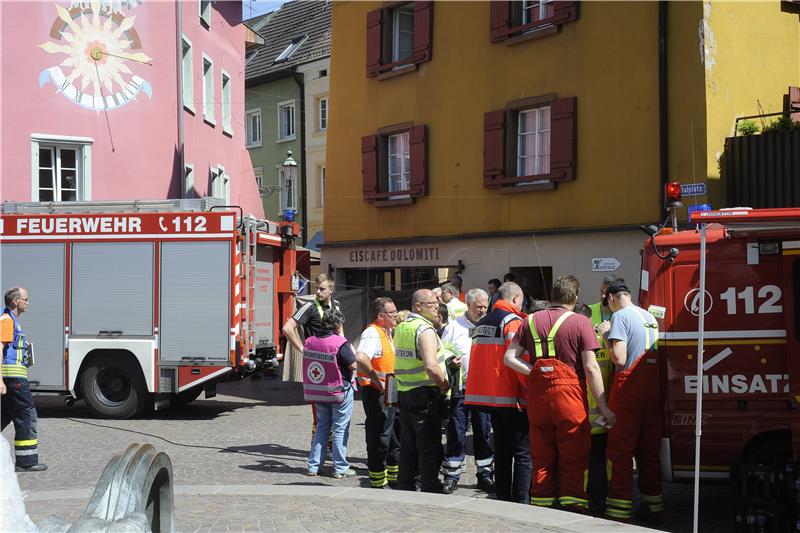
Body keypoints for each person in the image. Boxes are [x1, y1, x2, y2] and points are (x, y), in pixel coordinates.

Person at [504, 275, 614, 513]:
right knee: (573, 453)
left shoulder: (529, 320)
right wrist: (603, 406)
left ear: (553, 295)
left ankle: (542, 503)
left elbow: (509, 358)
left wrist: (534, 370)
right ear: (574, 298)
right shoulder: (580, 322)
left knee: (542, 454)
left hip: (539, 399)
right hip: (569, 397)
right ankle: (572, 504)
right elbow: (591, 367)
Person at [602, 283, 662, 524]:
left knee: (620, 451)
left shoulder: (620, 316)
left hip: (629, 388)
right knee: (649, 452)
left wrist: (606, 335)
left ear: (612, 298)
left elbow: (619, 357)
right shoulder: (649, 316)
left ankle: (618, 511)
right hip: (652, 388)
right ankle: (653, 506)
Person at [465, 282, 530, 503]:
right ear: (515, 298)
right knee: (522, 454)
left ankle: (503, 497)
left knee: (502, 452)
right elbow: (518, 360)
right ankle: (521, 502)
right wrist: (531, 389)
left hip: (489, 398)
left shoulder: (483, 322)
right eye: (521, 299)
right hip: (511, 397)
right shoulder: (512, 322)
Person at [394, 289, 449, 493]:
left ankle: (405, 484)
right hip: (424, 393)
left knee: (408, 444)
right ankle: (430, 486)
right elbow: (432, 367)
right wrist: (446, 386)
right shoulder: (424, 330)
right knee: (428, 444)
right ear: (419, 306)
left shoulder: (402, 327)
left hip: (405, 391)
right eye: (433, 304)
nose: (437, 308)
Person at [440, 289, 494, 494]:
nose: (482, 310)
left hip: (484, 389)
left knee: (483, 432)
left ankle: (485, 474)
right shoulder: (454, 326)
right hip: (460, 389)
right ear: (468, 306)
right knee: (456, 432)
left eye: (484, 306)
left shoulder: (490, 325)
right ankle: (451, 475)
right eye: (477, 307)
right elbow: (441, 349)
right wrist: (449, 360)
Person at [584, 274, 624, 515]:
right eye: (601, 291)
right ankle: (595, 498)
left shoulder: (625, 315)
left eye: (606, 292)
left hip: (618, 391)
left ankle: (610, 495)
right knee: (595, 454)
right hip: (595, 395)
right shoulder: (589, 312)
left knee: (614, 454)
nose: (602, 296)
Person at [283, 273, 342, 440]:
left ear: (331, 289)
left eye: (322, 289)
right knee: (319, 406)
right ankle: (319, 443)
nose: (318, 292)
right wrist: (302, 349)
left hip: (334, 362)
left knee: (335, 402)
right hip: (317, 364)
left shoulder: (336, 306)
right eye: (317, 288)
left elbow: (340, 332)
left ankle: (330, 443)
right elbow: (288, 328)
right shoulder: (309, 306)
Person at [303, 308, 357, 478]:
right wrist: (342, 336)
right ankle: (340, 468)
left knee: (322, 427)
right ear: (337, 324)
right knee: (340, 428)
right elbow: (353, 364)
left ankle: (313, 466)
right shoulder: (339, 343)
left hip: (318, 392)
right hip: (339, 391)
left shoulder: (310, 341)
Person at [355, 297, 400, 489]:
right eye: (392, 313)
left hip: (389, 390)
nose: (396, 315)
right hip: (377, 393)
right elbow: (361, 358)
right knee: (380, 435)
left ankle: (393, 475)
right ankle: (377, 479)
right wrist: (376, 379)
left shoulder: (388, 332)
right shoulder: (372, 334)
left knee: (393, 434)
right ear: (381, 316)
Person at [1, 287, 47, 472]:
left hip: (13, 377)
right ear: (15, 302)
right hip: (13, 379)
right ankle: (26, 461)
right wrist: (0, 381)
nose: (27, 303)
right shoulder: (7, 321)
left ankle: (25, 461)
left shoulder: (11, 320)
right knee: (26, 415)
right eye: (25, 299)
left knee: (4, 414)